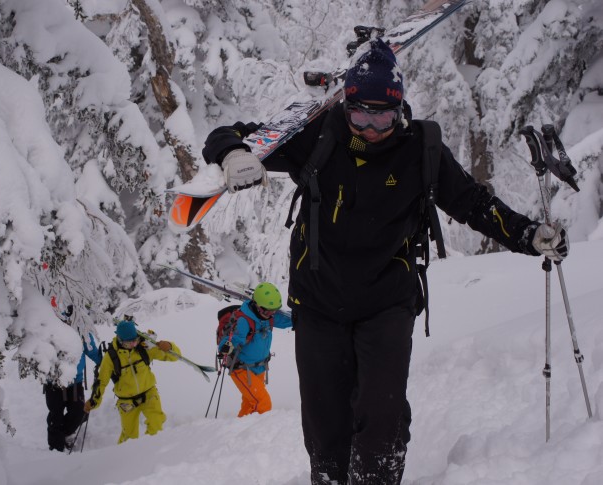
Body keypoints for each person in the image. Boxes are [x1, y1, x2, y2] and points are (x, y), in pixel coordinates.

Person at [202, 39, 569, 484]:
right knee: (325, 424)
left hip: (386, 301)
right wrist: (233, 154)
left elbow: (472, 204)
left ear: (400, 109)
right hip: (318, 304)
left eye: (383, 116)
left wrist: (528, 235)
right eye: (360, 115)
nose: (372, 127)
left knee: (381, 417)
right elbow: (229, 134)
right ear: (346, 105)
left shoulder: (421, 148)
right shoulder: (317, 134)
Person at [84, 319, 180, 443]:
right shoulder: (111, 357)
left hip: (149, 394)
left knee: (156, 425)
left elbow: (174, 356)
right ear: (120, 340)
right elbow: (101, 381)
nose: (134, 345)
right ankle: (124, 458)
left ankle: (153, 453)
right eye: (129, 343)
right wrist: (93, 401)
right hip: (126, 402)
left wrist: (169, 346)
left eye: (135, 341)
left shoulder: (143, 348)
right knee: (129, 436)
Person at [218, 282, 293, 417]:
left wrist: (302, 317)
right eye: (268, 310)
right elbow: (233, 339)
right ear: (257, 306)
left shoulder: (268, 317)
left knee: (249, 405)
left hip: (259, 368)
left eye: (274, 310)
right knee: (263, 403)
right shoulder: (244, 321)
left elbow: (287, 320)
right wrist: (225, 346)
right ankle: (260, 436)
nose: (271, 314)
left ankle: (240, 431)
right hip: (241, 369)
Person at [44, 304, 102, 452]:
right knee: (55, 417)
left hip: (75, 382)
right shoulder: (49, 332)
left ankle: (65, 435)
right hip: (53, 383)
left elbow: (93, 352)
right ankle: (56, 448)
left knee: (79, 412)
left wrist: (106, 362)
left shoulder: (81, 331)